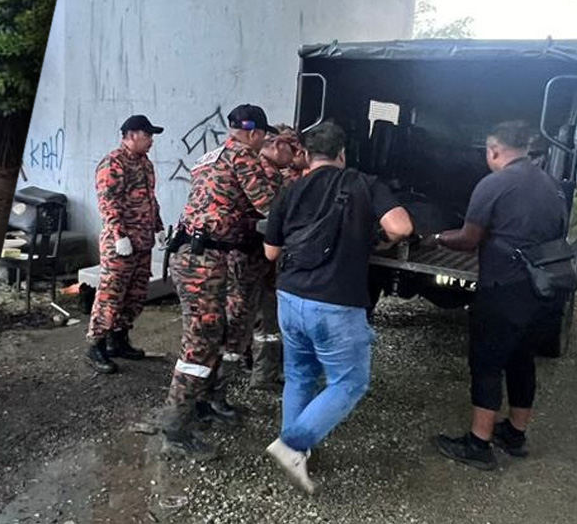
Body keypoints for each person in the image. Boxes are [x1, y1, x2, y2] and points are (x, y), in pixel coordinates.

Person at [262, 121, 413, 494]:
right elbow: (401, 227)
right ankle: (293, 444)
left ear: (306, 156)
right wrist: (375, 243)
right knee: (349, 381)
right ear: (342, 153)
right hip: (335, 303)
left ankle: (298, 449)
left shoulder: (290, 190)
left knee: (299, 375)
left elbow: (271, 252)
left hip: (289, 297)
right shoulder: (363, 183)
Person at [423, 120, 569, 470]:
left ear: (494, 150)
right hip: (543, 289)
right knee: (522, 360)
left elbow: (469, 238)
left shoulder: (494, 183)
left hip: (504, 289)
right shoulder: (552, 185)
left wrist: (436, 239)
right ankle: (515, 435)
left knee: (487, 363)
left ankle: (479, 444)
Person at [158, 104, 288, 460]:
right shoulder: (243, 156)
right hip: (201, 258)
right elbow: (269, 205)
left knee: (213, 335)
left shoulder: (208, 157)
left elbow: (228, 205)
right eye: (264, 137)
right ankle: (174, 429)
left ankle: (202, 403)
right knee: (200, 341)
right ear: (256, 134)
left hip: (198, 254)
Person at [85, 115, 165, 374]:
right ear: (131, 135)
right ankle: (95, 345)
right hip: (120, 244)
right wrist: (120, 236)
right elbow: (108, 204)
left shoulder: (145, 164)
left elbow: (150, 200)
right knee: (111, 294)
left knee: (135, 295)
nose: (151, 141)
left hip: (142, 241)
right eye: (148, 135)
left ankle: (119, 339)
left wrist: (159, 227)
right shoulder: (113, 163)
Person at [248, 125, 309, 391]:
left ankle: (259, 367)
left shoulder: (269, 173)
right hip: (266, 261)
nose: (299, 155)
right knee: (268, 321)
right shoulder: (282, 179)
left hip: (264, 259)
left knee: (262, 319)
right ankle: (263, 375)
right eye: (295, 149)